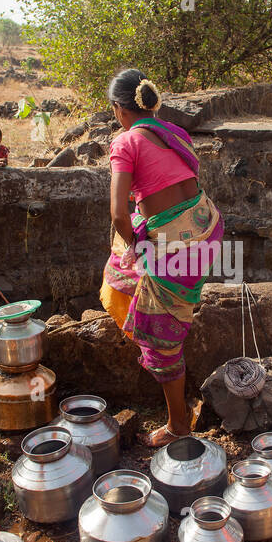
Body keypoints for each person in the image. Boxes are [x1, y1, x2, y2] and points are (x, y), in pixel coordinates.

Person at [99, 68, 224, 447]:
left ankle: (178, 425)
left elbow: (118, 215)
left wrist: (141, 248)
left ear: (121, 110)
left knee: (161, 337)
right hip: (205, 226)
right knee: (122, 271)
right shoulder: (175, 134)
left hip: (176, 244)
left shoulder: (126, 143)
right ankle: (158, 325)